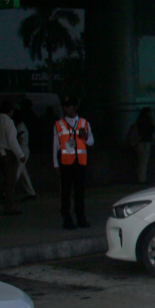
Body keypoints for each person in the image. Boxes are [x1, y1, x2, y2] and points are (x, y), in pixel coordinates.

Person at [52, 96, 93, 229]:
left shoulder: (84, 123)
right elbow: (55, 145)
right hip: (66, 162)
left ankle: (81, 218)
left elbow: (91, 141)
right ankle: (67, 218)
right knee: (66, 192)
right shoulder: (59, 124)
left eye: (69, 106)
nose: (66, 109)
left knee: (79, 192)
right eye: (65, 106)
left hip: (80, 162)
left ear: (75, 107)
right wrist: (55, 163)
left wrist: (84, 137)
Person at [0, 100, 25, 215]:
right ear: (10, 111)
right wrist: (21, 155)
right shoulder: (8, 122)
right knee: (10, 181)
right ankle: (9, 206)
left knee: (2, 180)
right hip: (6, 154)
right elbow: (12, 141)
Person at [13, 99, 37, 200]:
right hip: (23, 151)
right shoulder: (20, 126)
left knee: (16, 172)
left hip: (22, 152)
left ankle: (6, 192)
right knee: (22, 173)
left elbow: (19, 140)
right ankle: (31, 192)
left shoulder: (20, 127)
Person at [125, 108, 155, 184]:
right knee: (143, 162)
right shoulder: (146, 123)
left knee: (141, 162)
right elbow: (150, 131)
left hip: (138, 143)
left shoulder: (138, 122)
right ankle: (142, 179)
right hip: (144, 143)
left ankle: (141, 178)